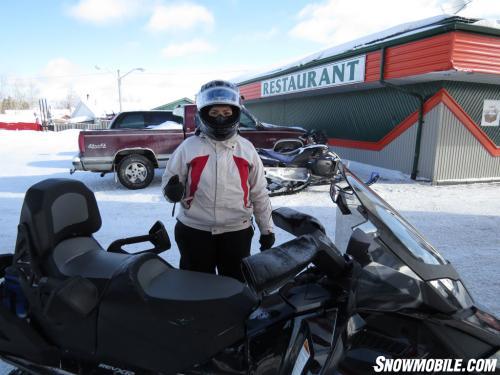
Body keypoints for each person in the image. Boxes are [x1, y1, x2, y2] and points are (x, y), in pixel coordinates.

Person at [161, 80, 275, 281]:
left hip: (236, 233)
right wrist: (172, 191)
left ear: (235, 112)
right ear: (203, 114)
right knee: (194, 287)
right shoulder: (189, 147)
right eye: (214, 113)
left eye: (226, 113)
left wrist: (266, 229)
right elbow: (169, 181)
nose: (221, 118)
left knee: (235, 288)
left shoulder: (246, 149)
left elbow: (259, 192)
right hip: (194, 232)